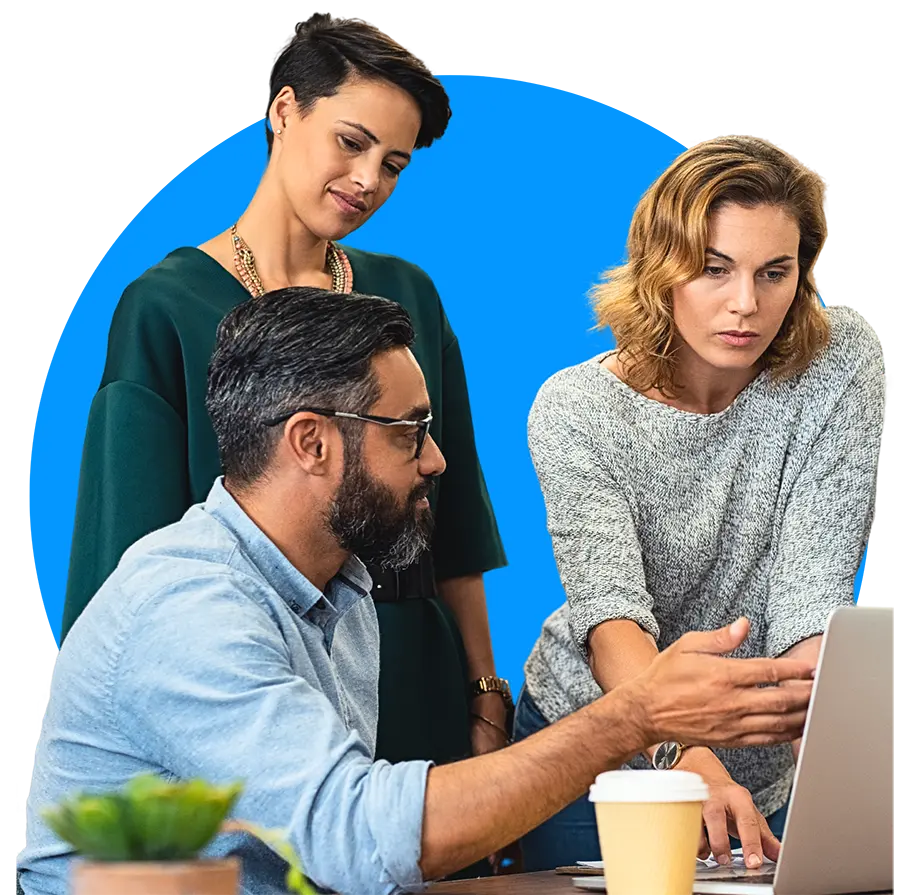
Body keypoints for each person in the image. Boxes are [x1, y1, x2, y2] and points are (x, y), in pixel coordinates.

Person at [18, 288, 817, 895]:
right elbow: (360, 834)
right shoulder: (188, 606)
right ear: (312, 441)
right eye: (410, 431)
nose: (436, 459)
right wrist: (634, 714)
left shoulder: (341, 589)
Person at [58, 13, 511, 798]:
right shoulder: (165, 307)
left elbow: (454, 512)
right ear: (284, 111)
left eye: (395, 162)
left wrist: (483, 695)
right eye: (352, 141)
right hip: (252, 682)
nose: (370, 178)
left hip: (415, 674)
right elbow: (122, 561)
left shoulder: (408, 296)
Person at [513, 135, 889, 872]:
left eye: (775, 272)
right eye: (714, 269)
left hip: (762, 762)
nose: (746, 304)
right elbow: (612, 621)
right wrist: (691, 765)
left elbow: (813, 601)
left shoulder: (837, 363)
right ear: (662, 269)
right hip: (603, 754)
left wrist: (848, 782)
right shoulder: (576, 409)